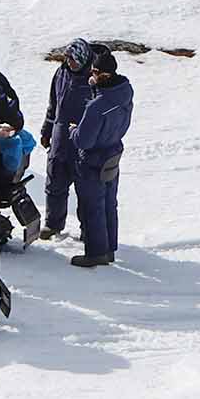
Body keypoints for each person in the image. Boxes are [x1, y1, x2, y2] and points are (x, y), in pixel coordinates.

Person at [70, 50, 134, 268]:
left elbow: (83, 141)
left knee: (92, 206)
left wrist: (74, 131)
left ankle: (96, 252)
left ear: (102, 74)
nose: (91, 74)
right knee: (109, 203)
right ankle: (109, 249)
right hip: (113, 152)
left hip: (93, 158)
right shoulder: (125, 92)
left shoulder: (97, 107)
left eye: (94, 71)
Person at [39, 39, 100, 241]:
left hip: (82, 141)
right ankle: (53, 224)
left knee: (85, 189)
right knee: (55, 183)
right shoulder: (61, 73)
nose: (68, 62)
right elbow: (53, 104)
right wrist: (47, 130)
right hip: (59, 137)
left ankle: (87, 229)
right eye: (67, 58)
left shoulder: (94, 79)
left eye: (72, 59)